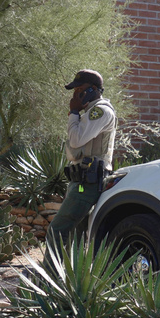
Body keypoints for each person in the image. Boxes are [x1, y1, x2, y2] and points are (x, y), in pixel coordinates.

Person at [47, 69, 117, 249]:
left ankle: (47, 275)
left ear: (93, 89)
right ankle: (71, 275)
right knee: (76, 235)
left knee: (58, 228)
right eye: (74, 90)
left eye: (80, 89)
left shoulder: (100, 112)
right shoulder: (89, 112)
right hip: (81, 179)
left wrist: (73, 113)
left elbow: (76, 140)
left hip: (89, 181)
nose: (76, 93)